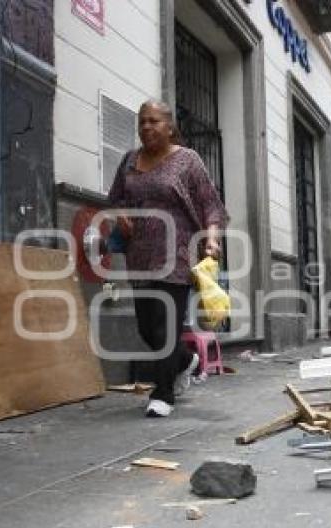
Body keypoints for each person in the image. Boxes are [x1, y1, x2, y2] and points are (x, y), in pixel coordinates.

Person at [108, 100, 228, 418]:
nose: (146, 126)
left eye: (154, 121)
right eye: (142, 121)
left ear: (170, 126)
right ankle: (186, 360)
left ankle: (163, 393)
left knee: (166, 328)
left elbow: (210, 205)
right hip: (139, 256)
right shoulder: (129, 161)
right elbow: (116, 198)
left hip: (177, 254)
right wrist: (120, 215)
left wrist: (212, 240)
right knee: (148, 329)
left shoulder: (188, 160)